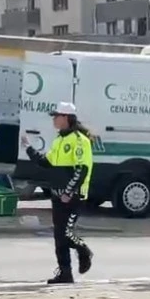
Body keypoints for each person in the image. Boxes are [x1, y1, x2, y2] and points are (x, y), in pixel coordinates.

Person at [20, 102, 94, 285]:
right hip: (57, 195)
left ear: (66, 118)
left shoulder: (79, 141)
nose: (54, 119)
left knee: (67, 234)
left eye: (57, 116)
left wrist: (69, 192)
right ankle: (65, 273)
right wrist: (28, 148)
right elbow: (46, 162)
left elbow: (81, 170)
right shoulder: (59, 141)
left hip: (74, 196)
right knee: (59, 236)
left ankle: (84, 250)